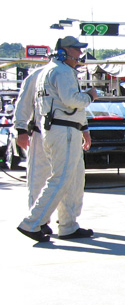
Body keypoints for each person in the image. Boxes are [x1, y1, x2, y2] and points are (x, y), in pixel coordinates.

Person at [16, 36, 97, 243]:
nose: (79, 54)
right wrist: (90, 96)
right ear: (64, 51)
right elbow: (71, 101)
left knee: (72, 179)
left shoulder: (58, 72)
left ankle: (67, 225)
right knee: (53, 179)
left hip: (64, 129)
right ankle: (34, 221)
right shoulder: (58, 72)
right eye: (76, 50)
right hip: (53, 130)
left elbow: (69, 107)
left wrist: (84, 128)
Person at [12, 65, 54, 237]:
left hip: (64, 136)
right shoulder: (37, 75)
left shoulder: (69, 74)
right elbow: (23, 103)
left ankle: (67, 221)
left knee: (65, 180)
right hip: (40, 133)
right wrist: (21, 130)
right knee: (38, 178)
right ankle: (39, 221)